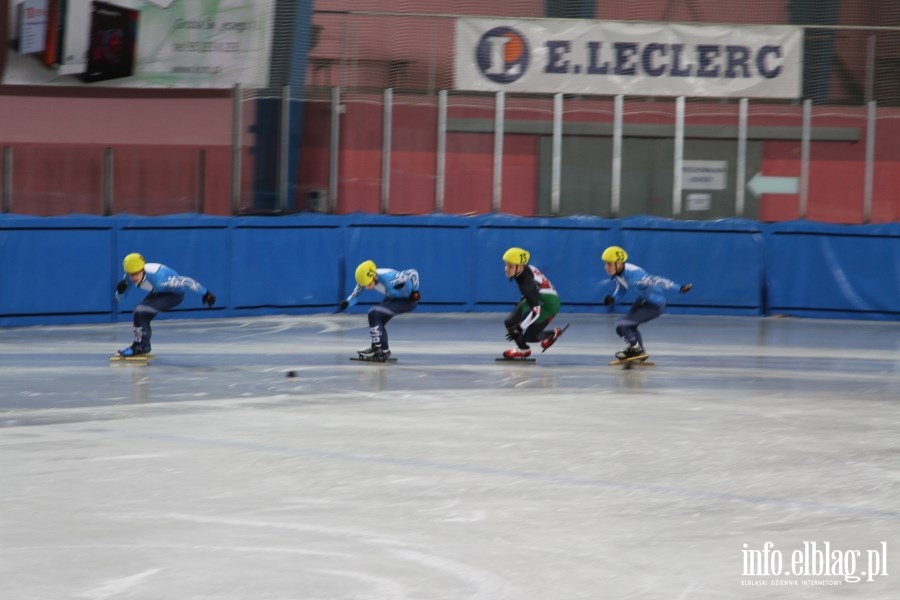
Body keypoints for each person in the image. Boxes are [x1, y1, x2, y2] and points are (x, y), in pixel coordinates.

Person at [114, 253, 216, 357]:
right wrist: (120, 292)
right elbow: (120, 298)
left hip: (174, 295)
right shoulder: (128, 277)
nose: (133, 277)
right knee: (139, 314)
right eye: (130, 274)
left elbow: (186, 281)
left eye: (136, 274)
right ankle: (141, 346)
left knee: (140, 310)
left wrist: (206, 293)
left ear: (142, 270)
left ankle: (140, 346)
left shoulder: (162, 281)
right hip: (157, 292)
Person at [601, 245, 692, 361]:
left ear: (618, 264)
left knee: (622, 325)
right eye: (605, 263)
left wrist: (679, 288)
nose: (605, 267)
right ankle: (639, 351)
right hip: (643, 300)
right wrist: (613, 298)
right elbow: (623, 288)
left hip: (655, 305)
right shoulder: (619, 273)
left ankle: (636, 350)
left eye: (608, 264)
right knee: (625, 328)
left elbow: (657, 280)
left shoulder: (636, 276)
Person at [338, 260, 420, 361]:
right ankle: (378, 348)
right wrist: (347, 303)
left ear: (374, 276)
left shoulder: (392, 279)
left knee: (374, 313)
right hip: (392, 298)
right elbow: (356, 294)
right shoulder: (367, 277)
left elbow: (413, 273)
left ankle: (380, 350)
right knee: (376, 318)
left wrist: (415, 292)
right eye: (364, 285)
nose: (367, 288)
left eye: (368, 284)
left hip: (407, 301)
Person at [501, 247, 562, 359]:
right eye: (506, 264)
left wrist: (519, 329)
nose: (506, 269)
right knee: (512, 323)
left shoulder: (526, 285)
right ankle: (527, 347)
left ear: (520, 266)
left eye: (510, 266)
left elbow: (536, 311)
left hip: (549, 304)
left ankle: (527, 348)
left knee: (527, 334)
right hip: (542, 296)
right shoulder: (526, 269)